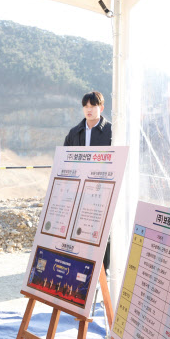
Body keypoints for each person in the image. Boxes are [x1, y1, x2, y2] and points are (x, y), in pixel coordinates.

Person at [63, 91, 112, 271]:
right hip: (79, 191)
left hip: (103, 189)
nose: (89, 110)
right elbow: (65, 159)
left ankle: (104, 270)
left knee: (104, 231)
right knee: (80, 227)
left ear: (102, 107)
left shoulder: (112, 131)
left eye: (93, 106)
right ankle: (82, 263)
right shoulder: (74, 133)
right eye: (86, 106)